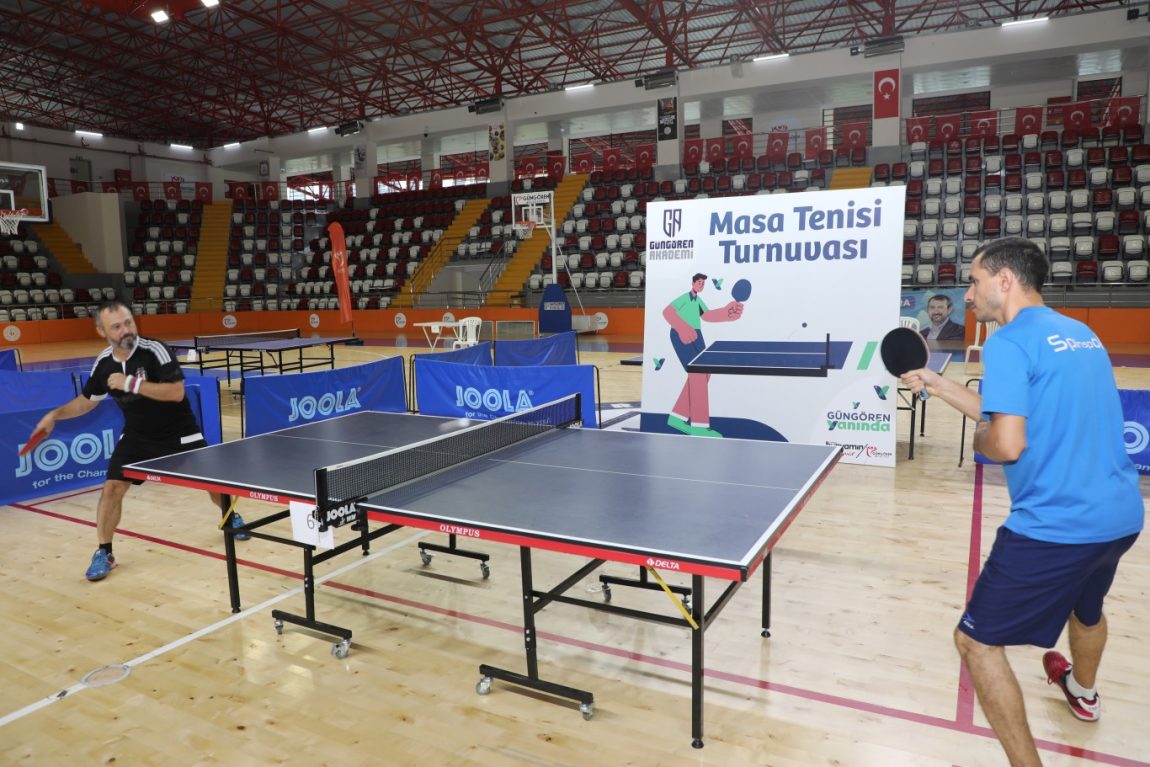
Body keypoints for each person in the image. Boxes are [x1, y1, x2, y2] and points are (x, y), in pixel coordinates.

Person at [900, 238, 1143, 766]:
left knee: (976, 644)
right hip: (1118, 516)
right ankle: (1083, 691)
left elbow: (1006, 442)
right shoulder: (1079, 335)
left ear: (1004, 281)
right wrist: (938, 385)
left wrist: (981, 440)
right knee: (1086, 609)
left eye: (974, 282)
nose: (968, 295)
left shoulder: (1008, 343)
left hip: (1056, 525)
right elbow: (1010, 408)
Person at [29, 301, 248, 581]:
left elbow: (176, 392)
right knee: (112, 488)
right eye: (117, 326)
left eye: (128, 322)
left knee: (211, 483)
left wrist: (130, 383)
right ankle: (104, 552)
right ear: (102, 331)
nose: (126, 330)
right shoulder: (104, 363)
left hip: (180, 432)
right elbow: (87, 401)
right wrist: (55, 415)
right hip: (138, 436)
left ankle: (230, 516)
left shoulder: (155, 351)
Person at [662, 272, 743, 437]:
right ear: (693, 283)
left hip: (696, 334)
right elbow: (668, 312)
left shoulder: (698, 301)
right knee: (698, 373)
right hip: (682, 333)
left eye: (703, 283)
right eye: (699, 282)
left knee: (705, 371)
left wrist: (726, 313)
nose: (701, 285)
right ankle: (699, 426)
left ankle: (677, 417)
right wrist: (682, 327)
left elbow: (707, 315)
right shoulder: (684, 298)